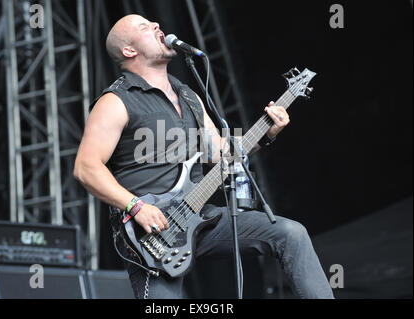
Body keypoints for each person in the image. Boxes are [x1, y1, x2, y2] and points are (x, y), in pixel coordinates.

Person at [74, 14, 334, 299]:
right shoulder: (116, 101)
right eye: (144, 27)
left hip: (200, 217)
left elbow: (219, 152)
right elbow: (87, 167)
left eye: (154, 23)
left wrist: (267, 131)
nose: (157, 26)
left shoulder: (188, 96)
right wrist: (135, 206)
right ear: (129, 50)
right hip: (151, 234)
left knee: (290, 234)